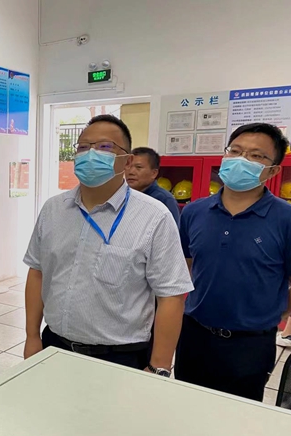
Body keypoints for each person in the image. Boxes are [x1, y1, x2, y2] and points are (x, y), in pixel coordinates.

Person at [23, 115, 193, 375]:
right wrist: (32, 336)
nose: (90, 154)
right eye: (83, 147)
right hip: (54, 345)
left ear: (127, 161)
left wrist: (159, 366)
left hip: (120, 357)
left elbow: (171, 295)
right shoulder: (53, 209)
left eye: (104, 147)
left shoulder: (154, 217)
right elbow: (37, 271)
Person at [177, 123, 291, 401]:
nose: (242, 160)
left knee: (237, 416)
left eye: (256, 156)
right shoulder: (194, 212)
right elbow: (187, 267)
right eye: (235, 151)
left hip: (250, 344)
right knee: (185, 407)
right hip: (194, 334)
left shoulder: (285, 218)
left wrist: (277, 314)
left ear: (273, 170)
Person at [125, 147, 180, 226]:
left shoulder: (165, 200)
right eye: (128, 166)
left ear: (154, 173)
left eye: (138, 167)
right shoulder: (122, 195)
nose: (131, 172)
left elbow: (171, 232)